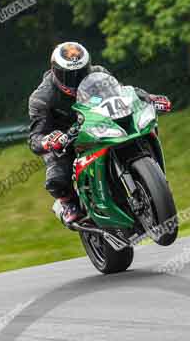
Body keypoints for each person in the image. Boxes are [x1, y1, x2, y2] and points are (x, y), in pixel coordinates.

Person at [28, 42, 172, 224]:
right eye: (69, 75)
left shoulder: (99, 73)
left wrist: (149, 98)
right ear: (55, 71)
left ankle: (151, 177)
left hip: (101, 124)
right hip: (66, 139)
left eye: (81, 72)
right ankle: (68, 203)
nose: (76, 79)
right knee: (57, 178)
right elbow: (35, 138)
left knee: (141, 128)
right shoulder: (42, 98)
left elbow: (123, 92)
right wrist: (49, 140)